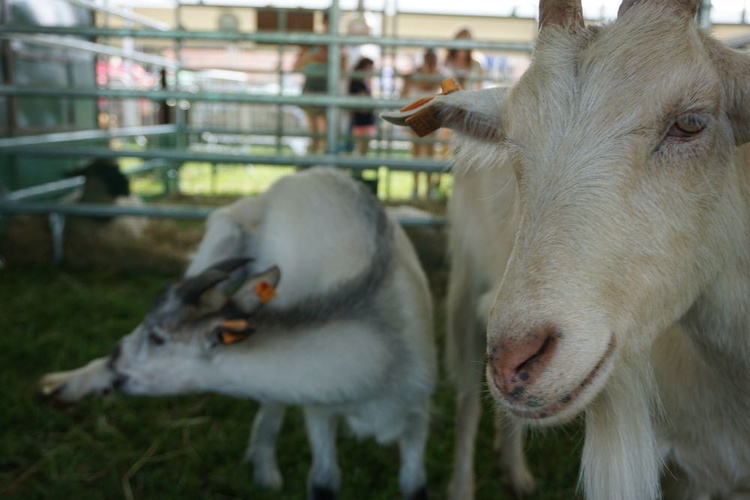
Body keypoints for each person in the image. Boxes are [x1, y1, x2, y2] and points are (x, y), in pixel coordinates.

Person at [293, 11, 345, 156]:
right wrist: (314, 58)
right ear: (324, 21)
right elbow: (295, 65)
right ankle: (312, 162)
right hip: (311, 86)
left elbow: (344, 70)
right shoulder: (312, 41)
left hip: (329, 87)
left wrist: (334, 59)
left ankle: (321, 162)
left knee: (325, 133)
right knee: (315, 133)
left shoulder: (340, 43)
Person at [401, 48, 444, 199]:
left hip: (432, 117)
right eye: (429, 60)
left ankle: (429, 187)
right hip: (418, 115)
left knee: (431, 152)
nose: (431, 64)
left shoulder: (439, 76)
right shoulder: (415, 75)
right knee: (417, 152)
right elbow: (404, 94)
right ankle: (416, 188)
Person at [348, 57, 376, 156]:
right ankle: (357, 170)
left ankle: (358, 169)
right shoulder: (358, 83)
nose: (372, 70)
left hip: (364, 119)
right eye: (370, 68)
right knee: (361, 148)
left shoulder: (364, 82)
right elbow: (363, 102)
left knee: (363, 149)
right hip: (361, 120)